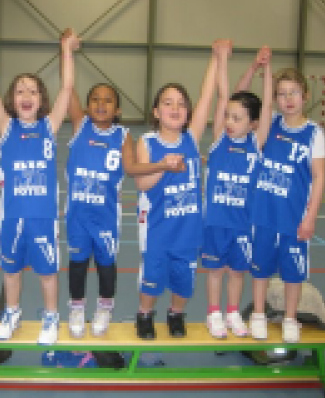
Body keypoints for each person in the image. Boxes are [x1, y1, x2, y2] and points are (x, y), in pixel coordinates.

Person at [0, 30, 80, 345]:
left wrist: (66, 50)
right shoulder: (6, 128)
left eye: (32, 91)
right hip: (12, 219)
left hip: (43, 219)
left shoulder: (49, 127)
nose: (26, 95)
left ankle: (51, 316)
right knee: (11, 272)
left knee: (47, 273)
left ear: (41, 100)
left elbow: (67, 87)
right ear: (13, 98)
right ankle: (12, 313)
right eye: (20, 90)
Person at [64, 78, 186, 338]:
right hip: (77, 215)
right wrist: (67, 51)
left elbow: (131, 169)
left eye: (108, 100)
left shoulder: (123, 136)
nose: (101, 104)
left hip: (106, 217)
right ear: (86, 106)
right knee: (77, 263)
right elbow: (67, 87)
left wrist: (161, 165)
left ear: (118, 110)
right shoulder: (80, 126)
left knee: (107, 264)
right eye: (95, 99)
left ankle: (105, 306)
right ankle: (76, 307)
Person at [134, 40, 221, 340]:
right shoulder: (147, 142)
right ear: (156, 111)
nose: (175, 107)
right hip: (157, 228)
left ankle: (176, 313)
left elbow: (207, 96)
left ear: (188, 113)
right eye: (168, 102)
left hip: (188, 228)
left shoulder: (191, 140)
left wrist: (216, 57)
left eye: (181, 104)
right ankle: (144, 315)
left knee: (184, 280)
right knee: (152, 278)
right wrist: (162, 165)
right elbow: (142, 183)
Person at [241, 66, 325, 343]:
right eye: (282, 94)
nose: (288, 99)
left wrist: (311, 217)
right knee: (260, 268)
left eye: (294, 93)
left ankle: (290, 318)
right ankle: (258, 316)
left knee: (293, 273)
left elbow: (319, 175)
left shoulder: (314, 134)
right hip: (264, 214)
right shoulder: (271, 124)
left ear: (306, 95)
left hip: (293, 217)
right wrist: (261, 71)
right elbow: (240, 100)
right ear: (275, 98)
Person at [203, 43, 273, 339]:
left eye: (237, 118)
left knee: (237, 271)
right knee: (215, 271)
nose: (230, 122)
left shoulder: (256, 144)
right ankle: (213, 313)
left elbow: (267, 105)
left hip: (243, 223)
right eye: (228, 117)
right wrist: (234, 64)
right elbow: (226, 96)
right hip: (215, 221)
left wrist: (266, 69)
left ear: (253, 124)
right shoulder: (220, 138)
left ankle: (232, 311)